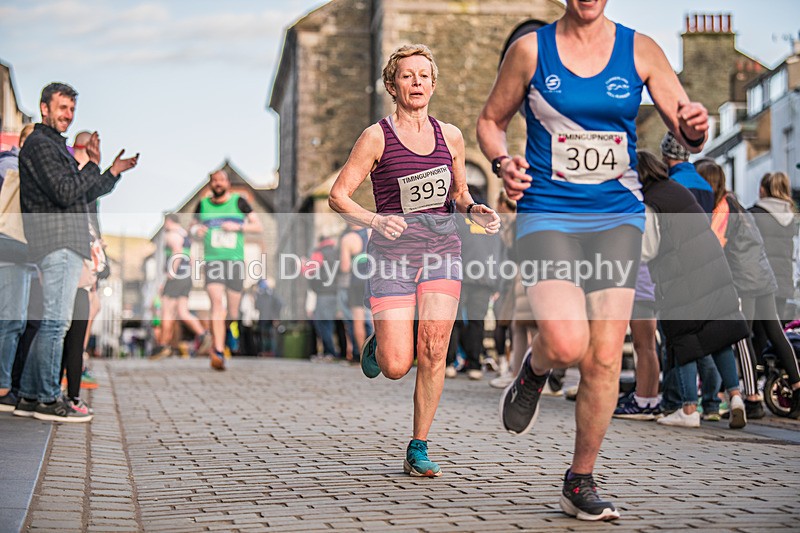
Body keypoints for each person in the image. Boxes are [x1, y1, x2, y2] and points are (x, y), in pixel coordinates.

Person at [476, 0, 708, 520]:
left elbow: (687, 128)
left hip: (616, 217)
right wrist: (502, 162)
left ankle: (579, 479)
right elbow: (490, 121)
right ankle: (535, 369)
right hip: (548, 212)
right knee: (564, 340)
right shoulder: (531, 50)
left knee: (604, 355)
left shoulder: (640, 49)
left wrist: (696, 126)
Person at [329, 44, 500, 477]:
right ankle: (380, 343)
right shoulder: (376, 136)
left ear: (433, 84)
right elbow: (338, 196)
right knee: (395, 365)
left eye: (425, 75)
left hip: (443, 251)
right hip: (392, 257)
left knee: (435, 347)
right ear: (393, 85)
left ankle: (418, 445)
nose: (418, 82)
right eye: (408, 76)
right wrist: (374, 219)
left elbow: (459, 193)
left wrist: (473, 208)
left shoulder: (452, 136)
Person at [17, 82, 137, 422]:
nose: (68, 115)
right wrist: (88, 170)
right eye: (62, 107)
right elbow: (66, 191)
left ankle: (29, 394)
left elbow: (82, 194)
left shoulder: (57, 147)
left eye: (71, 109)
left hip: (65, 242)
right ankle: (46, 398)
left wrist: (109, 170)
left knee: (52, 323)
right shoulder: (40, 145)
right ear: (45, 108)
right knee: (56, 323)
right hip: (55, 241)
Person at [635, 151, 749, 430]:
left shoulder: (651, 200)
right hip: (712, 265)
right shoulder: (675, 189)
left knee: (682, 336)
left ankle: (688, 409)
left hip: (681, 275)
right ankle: (735, 396)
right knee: (718, 334)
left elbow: (648, 249)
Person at [697, 160, 800, 419]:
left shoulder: (723, 208)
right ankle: (798, 387)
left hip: (745, 279)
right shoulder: (740, 207)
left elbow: (715, 245)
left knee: (742, 336)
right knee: (776, 332)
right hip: (764, 276)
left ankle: (752, 399)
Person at [658, 132, 723, 420]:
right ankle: (710, 402)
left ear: (666, 155)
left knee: (677, 336)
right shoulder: (703, 184)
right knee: (702, 338)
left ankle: (680, 403)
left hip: (676, 266)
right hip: (703, 263)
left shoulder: (671, 185)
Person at [191, 169, 262, 370]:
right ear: (210, 184)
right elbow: (192, 228)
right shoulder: (202, 205)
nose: (218, 183)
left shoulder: (239, 202)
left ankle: (226, 334)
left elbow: (258, 227)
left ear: (227, 182)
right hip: (212, 261)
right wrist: (197, 230)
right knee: (216, 306)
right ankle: (219, 352)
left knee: (232, 311)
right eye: (214, 181)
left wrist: (238, 227)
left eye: (221, 180)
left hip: (235, 262)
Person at [0, 123, 35, 411]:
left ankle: (7, 384)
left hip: (23, 253)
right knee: (10, 322)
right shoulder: (12, 166)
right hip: (11, 248)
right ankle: (2, 387)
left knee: (16, 322)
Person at [151, 214, 210, 360]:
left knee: (166, 312)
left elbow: (177, 252)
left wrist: (171, 273)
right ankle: (204, 335)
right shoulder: (185, 235)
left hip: (175, 277)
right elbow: (192, 258)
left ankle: (163, 345)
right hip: (186, 278)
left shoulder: (172, 235)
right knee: (183, 312)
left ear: (168, 221)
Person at [748, 172, 797, 322]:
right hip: (784, 283)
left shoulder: (752, 215)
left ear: (762, 190)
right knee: (778, 334)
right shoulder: (792, 218)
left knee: (758, 335)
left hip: (759, 284)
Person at [338, 221, 373, 360]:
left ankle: (362, 355)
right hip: (373, 281)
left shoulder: (347, 239)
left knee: (358, 320)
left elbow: (345, 267)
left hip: (356, 282)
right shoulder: (371, 232)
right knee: (375, 319)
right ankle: (379, 354)